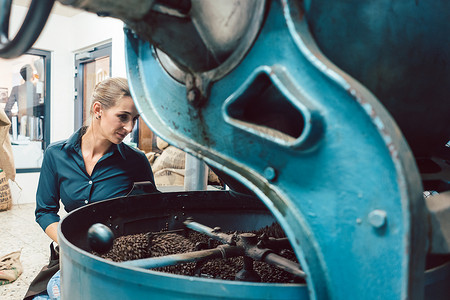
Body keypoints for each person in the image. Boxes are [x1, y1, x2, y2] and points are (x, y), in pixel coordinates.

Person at [24, 77, 156, 300]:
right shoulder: (56, 155)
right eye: (123, 117)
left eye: (134, 119)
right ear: (98, 110)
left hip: (118, 259)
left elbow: (152, 213)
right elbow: (44, 211)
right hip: (71, 255)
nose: (130, 128)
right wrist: (72, 245)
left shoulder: (136, 161)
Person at [4, 64, 40, 137]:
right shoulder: (37, 88)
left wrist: (11, 125)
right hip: (35, 126)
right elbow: (38, 109)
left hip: (21, 124)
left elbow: (7, 109)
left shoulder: (16, 89)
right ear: (32, 75)